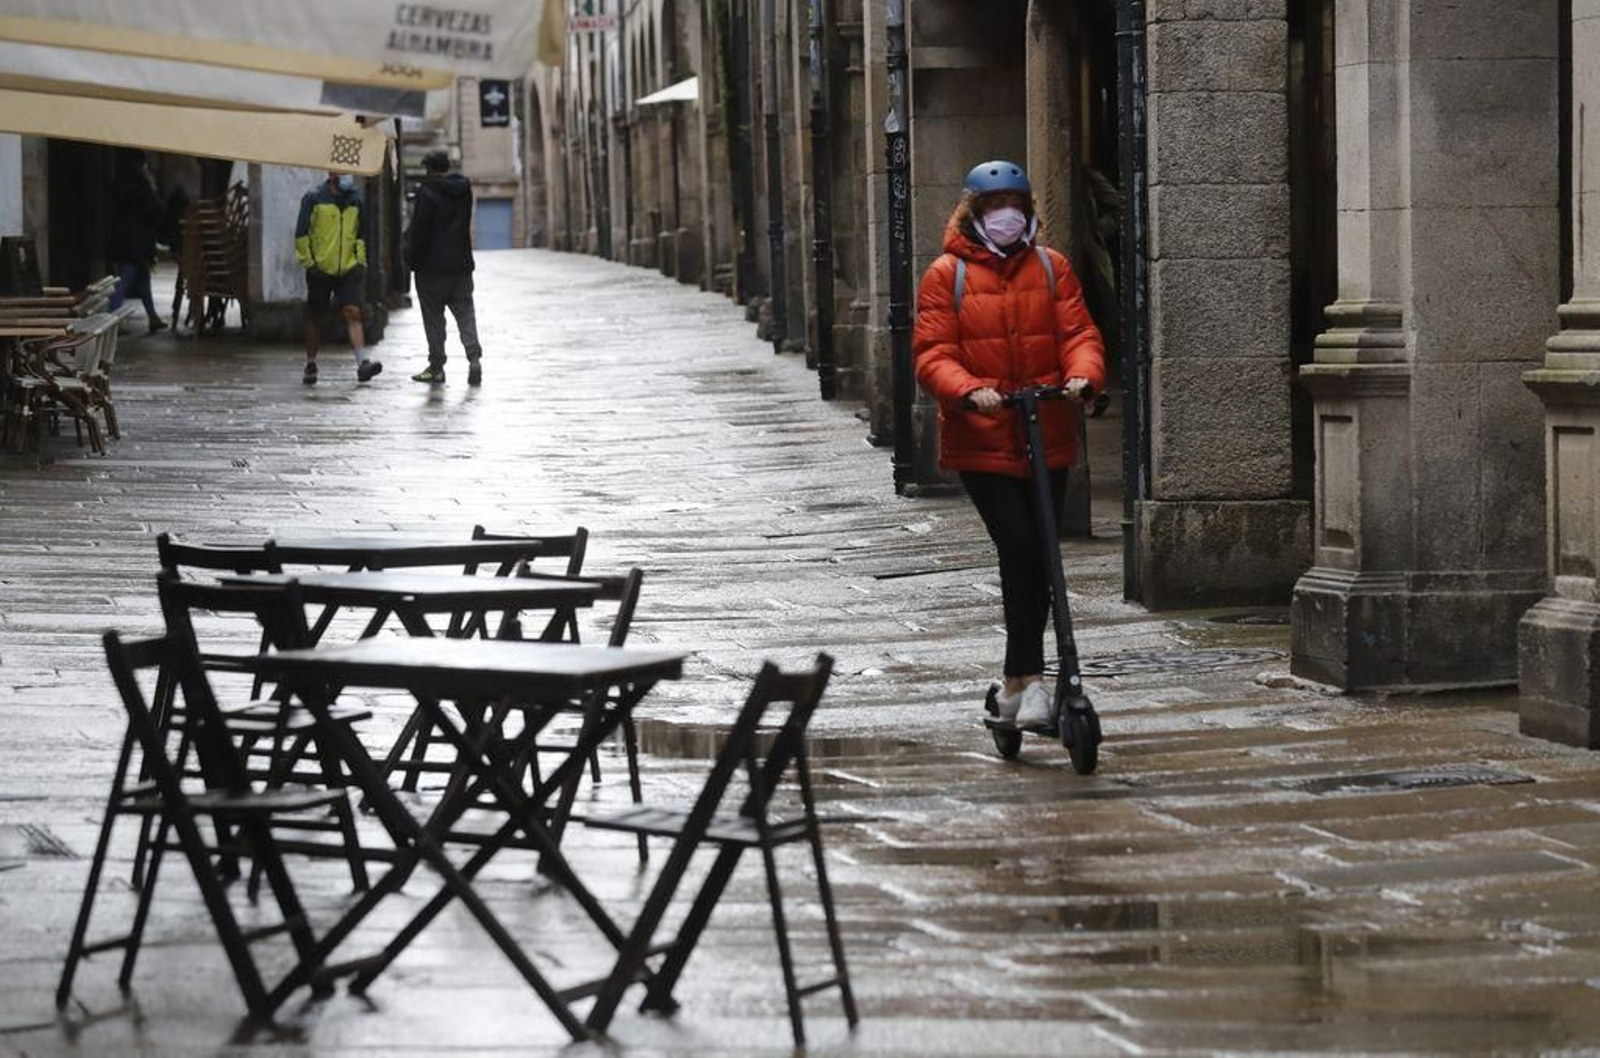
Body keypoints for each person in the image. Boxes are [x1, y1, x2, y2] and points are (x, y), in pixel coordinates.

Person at [912, 160, 1107, 728]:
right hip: (982, 440)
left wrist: (1083, 378)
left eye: (1015, 207)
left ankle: (1021, 683)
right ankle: (1028, 676)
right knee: (1019, 545)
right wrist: (970, 391)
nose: (1007, 217)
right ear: (974, 214)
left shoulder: (1052, 268)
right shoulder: (944, 275)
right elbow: (931, 355)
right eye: (995, 209)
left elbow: (1079, 334)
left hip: (1046, 433)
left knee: (1043, 554)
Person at [295, 171, 382, 384]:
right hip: (320, 269)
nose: (348, 177)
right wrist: (309, 263)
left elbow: (360, 235)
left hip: (347, 269)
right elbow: (301, 234)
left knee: (353, 312)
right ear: (332, 174)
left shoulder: (356, 200)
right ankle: (311, 362)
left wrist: (360, 262)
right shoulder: (313, 198)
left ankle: (363, 364)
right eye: (343, 173)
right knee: (315, 318)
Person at [406, 149, 482, 386]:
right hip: (460, 265)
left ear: (429, 168)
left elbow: (419, 232)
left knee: (434, 319)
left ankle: (437, 366)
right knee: (465, 313)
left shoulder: (426, 193)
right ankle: (474, 358)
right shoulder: (463, 190)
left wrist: (412, 261)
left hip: (432, 268)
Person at [107, 149, 166, 334]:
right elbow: (154, 208)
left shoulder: (118, 182)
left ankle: (152, 316)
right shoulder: (140, 184)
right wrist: (152, 187)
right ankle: (110, 320)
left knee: (143, 278)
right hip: (135, 242)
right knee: (124, 281)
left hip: (124, 239)